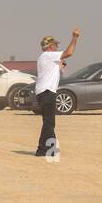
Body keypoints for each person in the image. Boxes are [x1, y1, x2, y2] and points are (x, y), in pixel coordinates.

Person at [35, 29, 80, 157]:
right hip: (47, 92)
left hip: (44, 92)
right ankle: (46, 150)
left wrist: (61, 66)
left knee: (48, 122)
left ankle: (45, 149)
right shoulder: (48, 55)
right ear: (50, 46)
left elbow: (58, 69)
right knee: (49, 123)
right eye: (55, 45)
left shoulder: (44, 58)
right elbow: (69, 53)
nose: (57, 47)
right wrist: (75, 37)